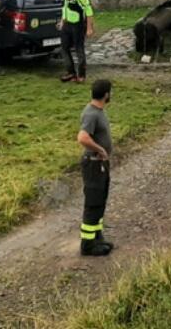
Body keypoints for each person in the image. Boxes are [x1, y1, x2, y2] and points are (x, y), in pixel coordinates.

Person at [77, 80, 114, 256]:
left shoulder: (98, 111)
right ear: (106, 94)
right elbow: (83, 138)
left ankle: (97, 237)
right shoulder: (91, 114)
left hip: (100, 164)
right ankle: (87, 245)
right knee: (93, 203)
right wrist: (100, 149)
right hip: (93, 164)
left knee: (100, 201)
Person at [58, 0, 95, 83]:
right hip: (67, 25)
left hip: (78, 26)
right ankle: (71, 73)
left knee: (79, 49)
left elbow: (89, 12)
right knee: (64, 48)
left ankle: (81, 75)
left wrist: (89, 28)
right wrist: (62, 22)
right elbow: (64, 9)